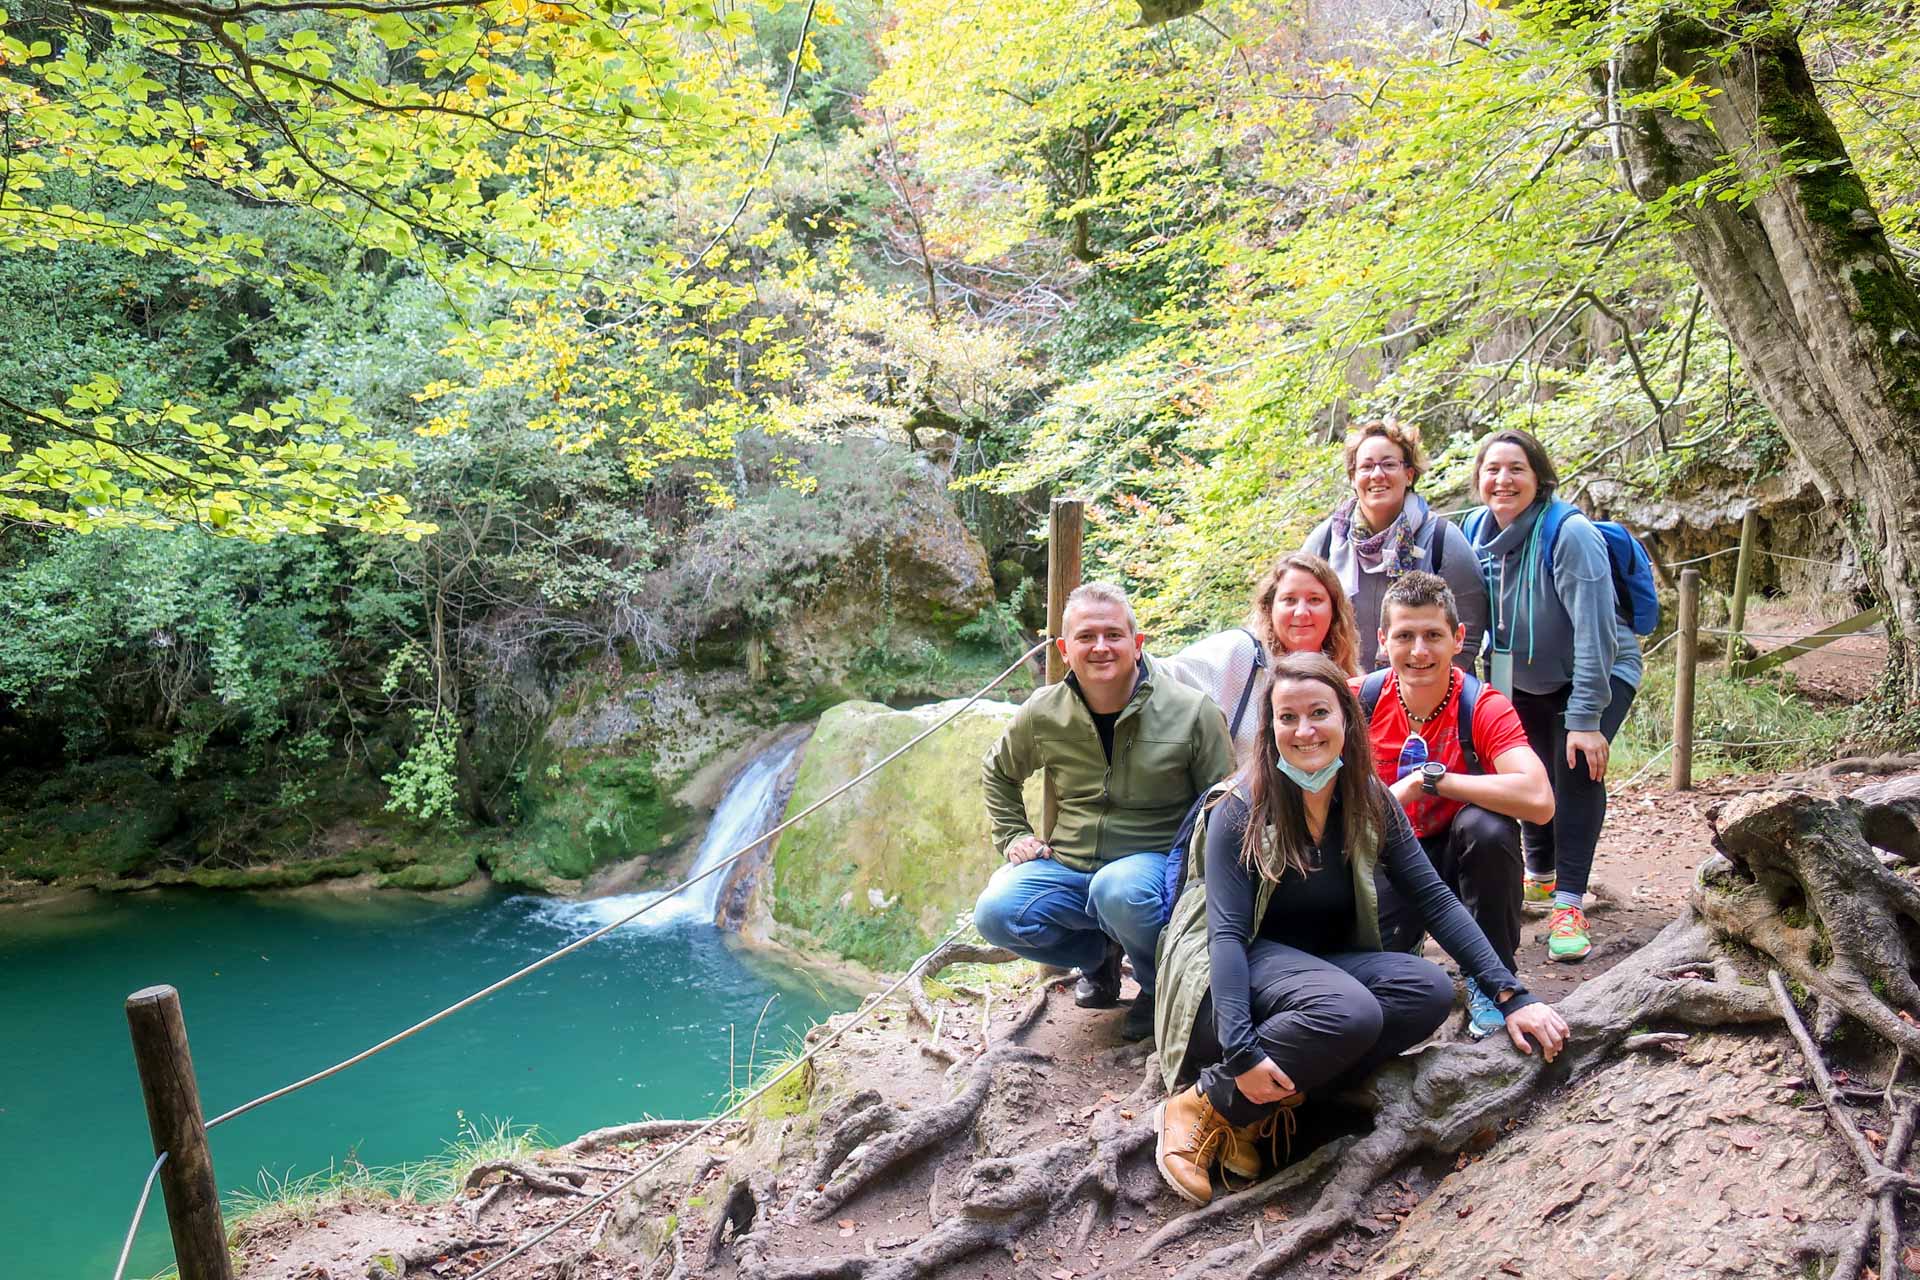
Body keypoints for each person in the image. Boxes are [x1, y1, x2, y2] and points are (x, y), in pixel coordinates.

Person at [1149, 652, 1569, 1207]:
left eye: (1319, 713)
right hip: (1224, 984)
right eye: (1287, 717)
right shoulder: (1240, 807)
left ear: (1347, 719)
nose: (1304, 730)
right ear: (1270, 728)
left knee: (1427, 991)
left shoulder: (1367, 798)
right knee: (1350, 1011)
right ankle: (1205, 1102)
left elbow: (1434, 899)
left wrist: (1511, 994)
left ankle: (1275, 1103)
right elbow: (1224, 936)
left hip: (1313, 977)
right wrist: (1242, 1051)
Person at [976, 582, 1236, 1042]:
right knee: (996, 912)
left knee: (1118, 889)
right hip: (1070, 863)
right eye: (1086, 636)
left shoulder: (1192, 712)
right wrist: (1014, 834)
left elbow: (1223, 803)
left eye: (1113, 635)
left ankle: (1160, 987)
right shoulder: (1044, 711)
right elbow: (998, 771)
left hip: (1150, 869)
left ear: (1137, 643)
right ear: (1064, 649)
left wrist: (1203, 886)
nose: (1101, 647)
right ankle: (1098, 958)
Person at [1467, 428, 1643, 962]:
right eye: (1492, 469)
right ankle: (1540, 876)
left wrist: (1586, 718)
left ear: (1539, 478)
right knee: (1527, 769)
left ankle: (1569, 903)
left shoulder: (1569, 534)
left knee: (1575, 767)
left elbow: (1596, 633)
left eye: (1516, 469)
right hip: (1520, 677)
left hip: (1597, 670)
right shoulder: (1474, 531)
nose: (1503, 480)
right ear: (1479, 480)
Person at [1360, 572, 1554, 1039]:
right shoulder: (1357, 701)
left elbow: (1539, 801)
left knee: (1488, 827)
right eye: (1404, 636)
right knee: (1378, 980)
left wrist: (1435, 782)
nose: (1419, 651)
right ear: (1383, 641)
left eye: (1433, 635)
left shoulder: (1481, 705)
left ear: (1458, 638)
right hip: (1387, 855)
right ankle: (1403, 955)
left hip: (1457, 853)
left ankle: (1493, 980)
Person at [1303, 422, 1489, 673]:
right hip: (1342, 688)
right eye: (1366, 466)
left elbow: (1469, 635)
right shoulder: (1327, 541)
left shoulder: (1442, 540)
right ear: (1353, 477)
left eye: (1389, 464)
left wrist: (1419, 687)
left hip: (1426, 687)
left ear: (1409, 474)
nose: (1377, 474)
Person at [1158, 552, 1362, 763]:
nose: (1301, 612)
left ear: (1334, 610)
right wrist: (1133, 649)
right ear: (1270, 607)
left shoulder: (1348, 679)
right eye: (1289, 600)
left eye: (1315, 600)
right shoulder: (1241, 653)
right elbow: (1165, 676)